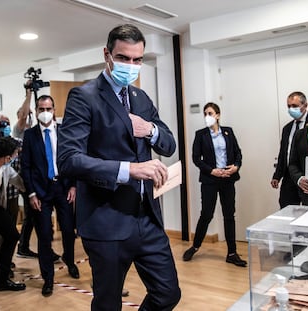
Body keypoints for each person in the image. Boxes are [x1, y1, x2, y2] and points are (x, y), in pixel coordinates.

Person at [57, 24, 181, 311]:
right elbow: (68, 160)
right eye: (124, 58)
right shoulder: (84, 97)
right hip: (106, 221)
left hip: (147, 218)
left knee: (168, 294)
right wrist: (129, 169)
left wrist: (149, 129)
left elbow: (169, 145)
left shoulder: (140, 98)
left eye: (138, 60)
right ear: (107, 55)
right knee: (108, 304)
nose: (132, 66)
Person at [20, 95, 79, 297]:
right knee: (44, 236)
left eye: (49, 108)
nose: (45, 112)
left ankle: (70, 261)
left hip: (62, 188)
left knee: (69, 232)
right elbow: (25, 167)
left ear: (54, 110)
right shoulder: (29, 136)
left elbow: (71, 160)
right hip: (41, 193)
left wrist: (73, 186)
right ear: (36, 111)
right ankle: (48, 279)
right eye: (41, 108)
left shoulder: (64, 132)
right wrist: (31, 193)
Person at [183, 102, 247, 267]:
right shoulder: (201, 135)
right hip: (210, 180)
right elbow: (196, 159)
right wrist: (212, 171)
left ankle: (232, 253)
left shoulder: (228, 132)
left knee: (228, 215)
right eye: (205, 114)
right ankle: (195, 246)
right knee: (206, 214)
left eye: (210, 113)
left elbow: (238, 153)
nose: (207, 117)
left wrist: (236, 167)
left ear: (218, 115)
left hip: (228, 178)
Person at [0, 136, 26, 291]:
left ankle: (2, 280)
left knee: (12, 235)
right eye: (15, 154)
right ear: (8, 157)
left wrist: (33, 192)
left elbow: (17, 180)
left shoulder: (5, 167)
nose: (16, 156)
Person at [271, 91, 308, 208]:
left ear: (305, 105)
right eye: (289, 106)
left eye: (295, 106)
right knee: (286, 209)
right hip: (289, 176)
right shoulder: (287, 128)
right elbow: (283, 153)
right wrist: (277, 176)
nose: (291, 109)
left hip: (307, 176)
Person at [13, 80, 38, 259]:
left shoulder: (33, 132)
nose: (27, 115)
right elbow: (22, 115)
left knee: (32, 215)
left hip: (34, 177)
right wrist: (28, 94)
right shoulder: (18, 130)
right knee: (30, 214)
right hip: (22, 178)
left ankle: (24, 246)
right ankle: (22, 247)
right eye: (25, 114)